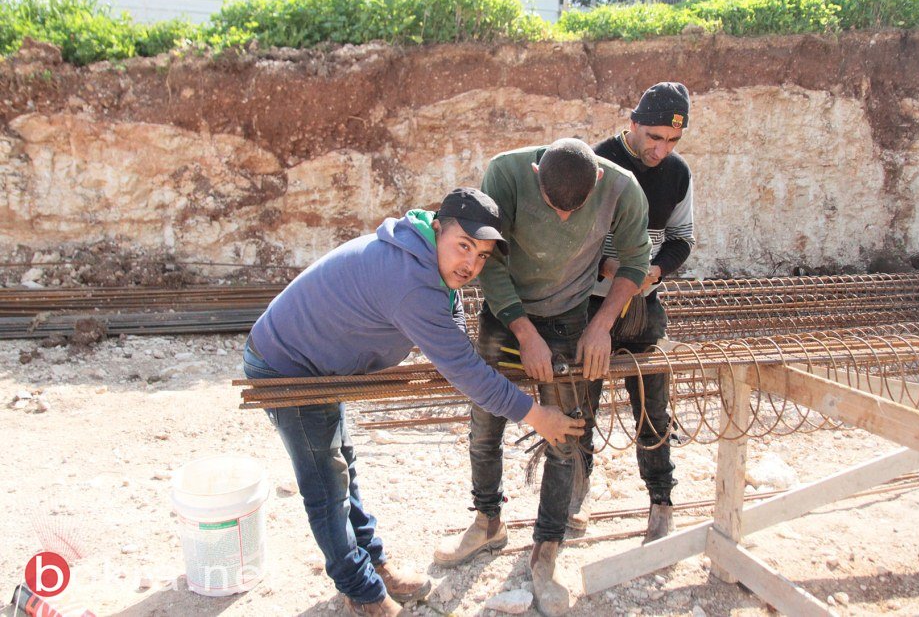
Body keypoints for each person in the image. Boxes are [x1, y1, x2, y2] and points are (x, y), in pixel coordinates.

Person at [244, 187, 585, 617]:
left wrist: (453, 342)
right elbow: (465, 369)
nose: (470, 265)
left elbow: (451, 311)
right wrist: (536, 415)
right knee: (326, 485)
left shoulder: (424, 253)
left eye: (481, 256)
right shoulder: (408, 281)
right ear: (438, 227)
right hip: (286, 365)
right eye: (464, 247)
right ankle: (363, 593)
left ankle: (372, 563)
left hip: (319, 362)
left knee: (342, 464)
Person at [434, 139, 652, 616]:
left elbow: (635, 261)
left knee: (566, 432)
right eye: (554, 208)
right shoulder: (506, 174)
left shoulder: (623, 189)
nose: (566, 220)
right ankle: (488, 520)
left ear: (596, 181)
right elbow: (487, 263)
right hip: (504, 312)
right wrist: (523, 330)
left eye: (575, 210)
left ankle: (546, 545)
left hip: (571, 315)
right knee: (485, 423)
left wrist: (601, 325)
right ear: (536, 175)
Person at [575, 82, 695, 543]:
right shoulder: (596, 162)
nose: (661, 149)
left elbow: (682, 237)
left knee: (653, 408)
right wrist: (609, 267)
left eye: (672, 141)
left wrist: (655, 272)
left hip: (643, 308)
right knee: (580, 404)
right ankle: (574, 496)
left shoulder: (678, 174)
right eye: (654, 137)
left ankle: (661, 502)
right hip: (587, 306)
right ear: (633, 124)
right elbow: (571, 232)